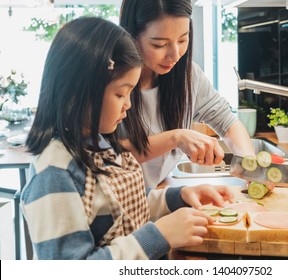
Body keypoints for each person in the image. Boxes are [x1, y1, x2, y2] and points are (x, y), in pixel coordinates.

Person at [21, 17, 234, 260]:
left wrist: (179, 196)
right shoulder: (54, 175)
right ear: (79, 92)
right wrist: (159, 236)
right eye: (120, 94)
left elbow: (127, 203)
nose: (128, 105)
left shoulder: (100, 144)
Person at [119, 0, 255, 187]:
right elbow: (106, 153)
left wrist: (250, 166)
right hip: (116, 202)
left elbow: (227, 122)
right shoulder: (109, 80)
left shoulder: (188, 76)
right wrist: (176, 138)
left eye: (183, 39)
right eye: (160, 45)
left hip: (156, 195)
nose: (175, 55)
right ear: (132, 35)